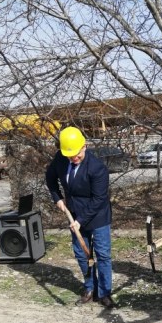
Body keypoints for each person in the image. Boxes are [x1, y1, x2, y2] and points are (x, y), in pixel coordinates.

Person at [45, 126, 116, 308]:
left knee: (102, 254)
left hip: (98, 216)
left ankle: (105, 292)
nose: (73, 158)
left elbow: (99, 199)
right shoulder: (61, 159)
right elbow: (50, 177)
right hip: (74, 214)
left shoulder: (97, 168)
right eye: (70, 155)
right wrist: (57, 198)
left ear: (84, 146)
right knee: (81, 254)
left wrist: (80, 221)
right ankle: (89, 288)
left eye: (76, 154)